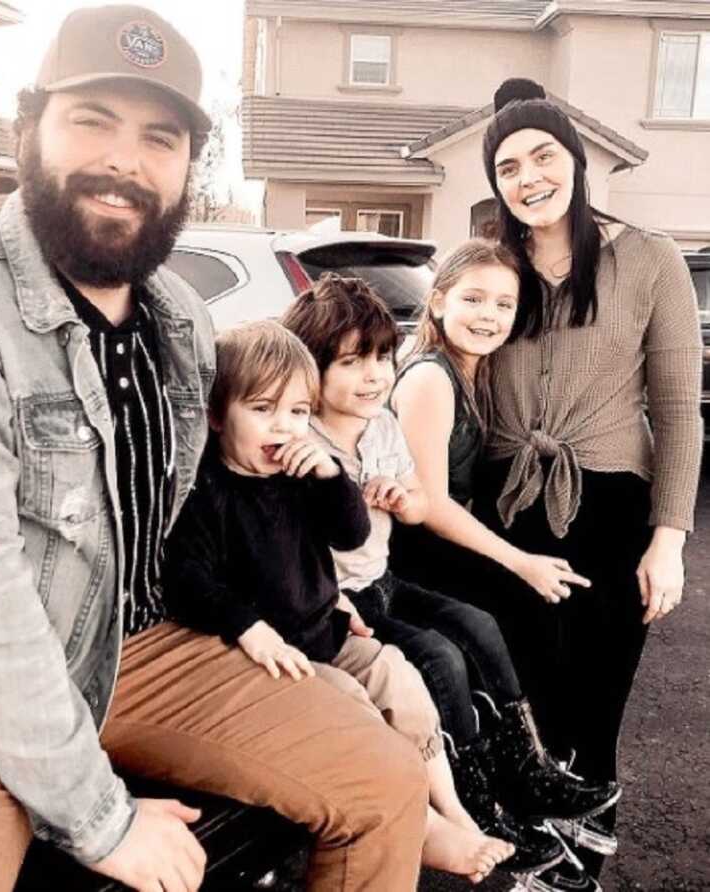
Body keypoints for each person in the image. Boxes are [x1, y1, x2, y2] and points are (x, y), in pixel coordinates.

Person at [0, 7, 432, 891]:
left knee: (385, 783)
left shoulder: (181, 321)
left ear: (188, 167)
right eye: (90, 121)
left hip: (135, 644)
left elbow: (200, 515)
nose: (124, 160)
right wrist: (103, 821)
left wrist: (302, 611)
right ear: (28, 132)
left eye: (159, 136)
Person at [406, 76, 701, 880]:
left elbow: (678, 408)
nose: (529, 176)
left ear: (573, 159)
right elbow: (437, 359)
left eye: (543, 155)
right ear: (493, 182)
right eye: (508, 166)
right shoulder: (497, 268)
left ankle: (580, 868)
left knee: (596, 705)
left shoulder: (649, 259)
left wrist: (668, 539)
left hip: (609, 506)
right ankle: (532, 853)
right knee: (524, 704)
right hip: (505, 510)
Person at [284, 272, 623, 891]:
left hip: (383, 577)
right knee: (441, 657)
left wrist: (399, 498)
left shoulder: (379, 426)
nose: (373, 377)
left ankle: (525, 762)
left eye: (382, 358)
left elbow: (414, 502)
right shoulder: (304, 443)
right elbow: (297, 543)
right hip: (345, 598)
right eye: (352, 363)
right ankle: (474, 794)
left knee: (478, 624)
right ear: (311, 370)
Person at [162, 320, 515, 885]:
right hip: (272, 659)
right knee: (352, 700)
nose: (285, 427)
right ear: (215, 414)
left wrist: (330, 477)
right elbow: (190, 580)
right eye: (263, 409)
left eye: (299, 412)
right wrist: (249, 626)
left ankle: (451, 810)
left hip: (325, 633)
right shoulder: (208, 492)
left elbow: (350, 534)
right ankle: (420, 825)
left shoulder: (302, 474)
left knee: (403, 682)